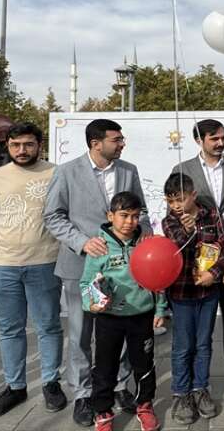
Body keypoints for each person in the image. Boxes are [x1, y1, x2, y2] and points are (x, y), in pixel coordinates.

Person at [43, 119, 149, 427]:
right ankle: (83, 393)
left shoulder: (128, 170)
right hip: (81, 267)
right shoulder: (67, 172)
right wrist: (82, 242)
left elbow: (140, 212)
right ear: (95, 143)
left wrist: (144, 239)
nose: (122, 144)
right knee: (80, 334)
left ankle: (119, 385)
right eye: (116, 139)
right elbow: (53, 215)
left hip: (124, 270)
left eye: (121, 139)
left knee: (122, 329)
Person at [0, 122, 67, 420]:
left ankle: (51, 382)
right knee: (9, 329)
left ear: (39, 145)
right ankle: (15, 386)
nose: (22, 150)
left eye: (28, 144)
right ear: (7, 145)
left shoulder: (57, 173)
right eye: (15, 145)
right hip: (3, 264)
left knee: (49, 325)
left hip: (45, 261)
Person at [81, 192, 165, 431]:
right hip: (109, 319)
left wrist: (160, 309)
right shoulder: (99, 246)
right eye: (124, 215)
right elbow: (86, 283)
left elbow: (158, 278)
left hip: (142, 314)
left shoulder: (145, 242)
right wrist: (92, 304)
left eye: (135, 216)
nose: (130, 221)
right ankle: (103, 412)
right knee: (105, 366)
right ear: (110, 216)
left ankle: (145, 406)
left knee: (144, 364)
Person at [172, 118, 224, 377]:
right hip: (199, 254)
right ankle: (193, 375)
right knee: (199, 321)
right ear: (199, 140)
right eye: (214, 138)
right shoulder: (182, 168)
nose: (220, 142)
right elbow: (176, 208)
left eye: (223, 137)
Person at [161, 173, 224, 425]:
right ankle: (181, 393)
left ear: (193, 195)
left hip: (208, 292)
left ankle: (200, 388)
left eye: (180, 199)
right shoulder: (169, 222)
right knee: (183, 345)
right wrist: (188, 230)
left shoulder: (212, 215)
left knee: (203, 343)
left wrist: (214, 274)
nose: (176, 206)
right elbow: (176, 247)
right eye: (171, 201)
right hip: (181, 293)